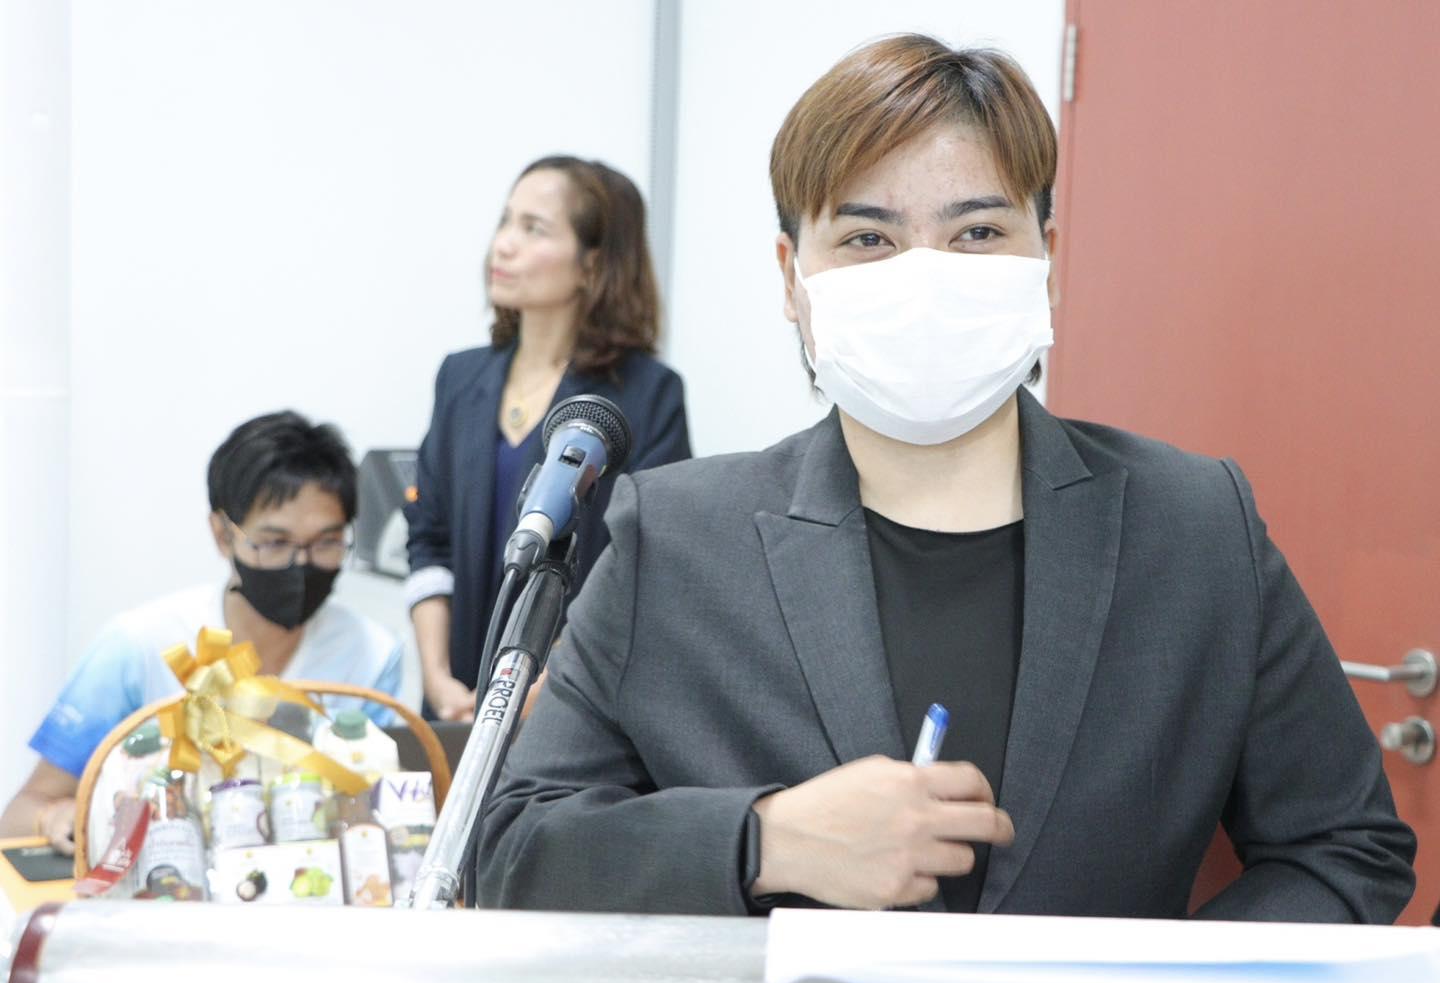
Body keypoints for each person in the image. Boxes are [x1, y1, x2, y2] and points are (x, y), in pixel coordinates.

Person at [477, 35, 1416, 921]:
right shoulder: (674, 538)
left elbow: (1348, 848)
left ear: (1048, 259)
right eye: (868, 239)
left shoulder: (1197, 526)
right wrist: (764, 842)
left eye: (977, 231)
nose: (925, 277)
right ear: (792, 278)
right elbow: (512, 851)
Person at [0, 411, 402, 854]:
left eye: (327, 542)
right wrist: (53, 817)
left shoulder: (372, 654)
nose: (301, 564)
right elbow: (20, 815)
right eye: (274, 543)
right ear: (222, 534)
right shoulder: (143, 644)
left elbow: (384, 810)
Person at [405, 155, 690, 722]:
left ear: (593, 264)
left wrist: (544, 683)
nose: (503, 245)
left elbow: (641, 569)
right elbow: (429, 539)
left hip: (573, 706)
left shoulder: (648, 394)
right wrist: (436, 678)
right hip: (455, 704)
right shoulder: (460, 378)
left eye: (533, 229)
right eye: (505, 221)